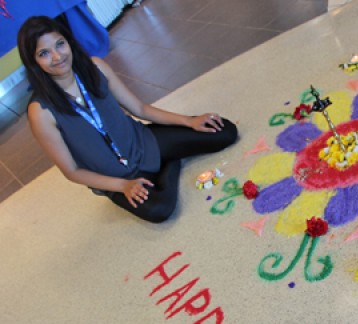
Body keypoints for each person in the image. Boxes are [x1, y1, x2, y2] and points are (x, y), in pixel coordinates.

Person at [17, 16, 238, 223]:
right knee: (159, 210)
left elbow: (140, 108)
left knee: (225, 132)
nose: (57, 56)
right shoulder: (40, 112)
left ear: (69, 42)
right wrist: (122, 185)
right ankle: (172, 162)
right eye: (43, 53)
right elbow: (72, 171)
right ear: (33, 62)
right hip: (114, 178)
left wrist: (189, 121)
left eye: (60, 44)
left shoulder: (95, 67)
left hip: (144, 144)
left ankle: (163, 162)